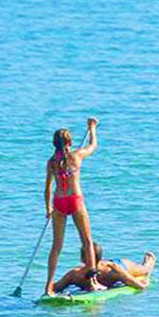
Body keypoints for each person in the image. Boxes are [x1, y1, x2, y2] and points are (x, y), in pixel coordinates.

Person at [43, 117, 104, 296]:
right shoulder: (76, 156)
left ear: (54, 144)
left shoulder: (51, 163)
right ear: (70, 142)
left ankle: (49, 287)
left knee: (56, 246)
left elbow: (47, 188)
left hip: (59, 203)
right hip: (75, 200)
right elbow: (93, 146)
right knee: (86, 242)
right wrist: (92, 128)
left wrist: (48, 209)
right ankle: (92, 282)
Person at [51, 244, 157, 293]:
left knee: (144, 271)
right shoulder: (74, 274)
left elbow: (133, 282)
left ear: (81, 258)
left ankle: (150, 261)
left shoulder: (112, 269)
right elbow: (56, 287)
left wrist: (144, 284)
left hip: (121, 265)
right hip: (105, 266)